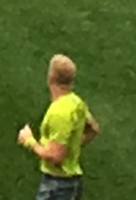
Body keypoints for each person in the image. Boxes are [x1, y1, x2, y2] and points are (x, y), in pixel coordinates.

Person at [16, 54, 98, 199]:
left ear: (50, 78)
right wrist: (72, 146)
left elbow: (56, 156)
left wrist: (29, 141)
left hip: (58, 185)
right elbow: (93, 129)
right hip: (71, 183)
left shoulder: (59, 112)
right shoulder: (76, 103)